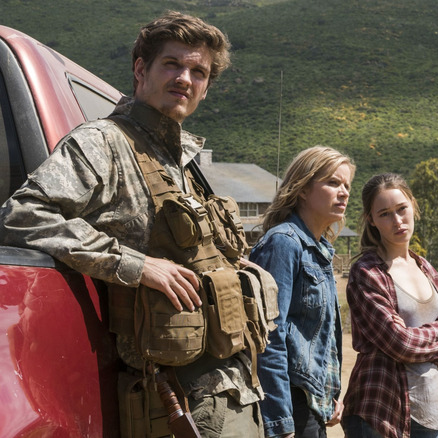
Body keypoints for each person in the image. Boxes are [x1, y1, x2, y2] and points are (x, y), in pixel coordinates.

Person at [0, 12, 267, 436]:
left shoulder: (184, 161)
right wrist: (135, 264)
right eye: (172, 64)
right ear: (141, 69)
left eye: (198, 71)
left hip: (232, 390)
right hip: (175, 400)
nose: (185, 78)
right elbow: (23, 215)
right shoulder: (104, 142)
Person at [342, 173, 438, 438]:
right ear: (371, 220)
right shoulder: (368, 272)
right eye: (384, 214)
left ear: (413, 206)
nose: (397, 220)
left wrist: (424, 337)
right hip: (382, 411)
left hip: (431, 412)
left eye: (401, 209)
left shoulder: (426, 268)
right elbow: (400, 344)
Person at [249, 146, 355, 437]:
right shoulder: (283, 243)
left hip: (310, 402)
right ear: (303, 189)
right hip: (291, 404)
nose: (344, 192)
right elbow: (269, 336)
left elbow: (318, 337)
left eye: (347, 185)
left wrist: (329, 396)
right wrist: (279, 421)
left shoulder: (320, 250)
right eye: (333, 182)